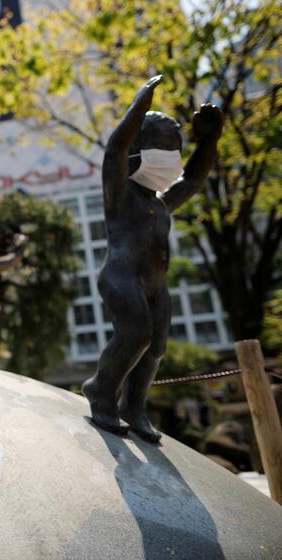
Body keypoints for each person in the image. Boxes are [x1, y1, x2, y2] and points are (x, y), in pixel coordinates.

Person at [82, 76, 223, 442]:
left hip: (156, 286)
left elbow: (192, 180)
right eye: (163, 148)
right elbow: (113, 153)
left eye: (175, 151)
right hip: (121, 276)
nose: (171, 160)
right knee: (136, 334)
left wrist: (209, 139)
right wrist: (139, 107)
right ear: (138, 149)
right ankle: (101, 390)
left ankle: (134, 405)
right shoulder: (121, 193)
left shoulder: (160, 203)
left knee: (156, 345)